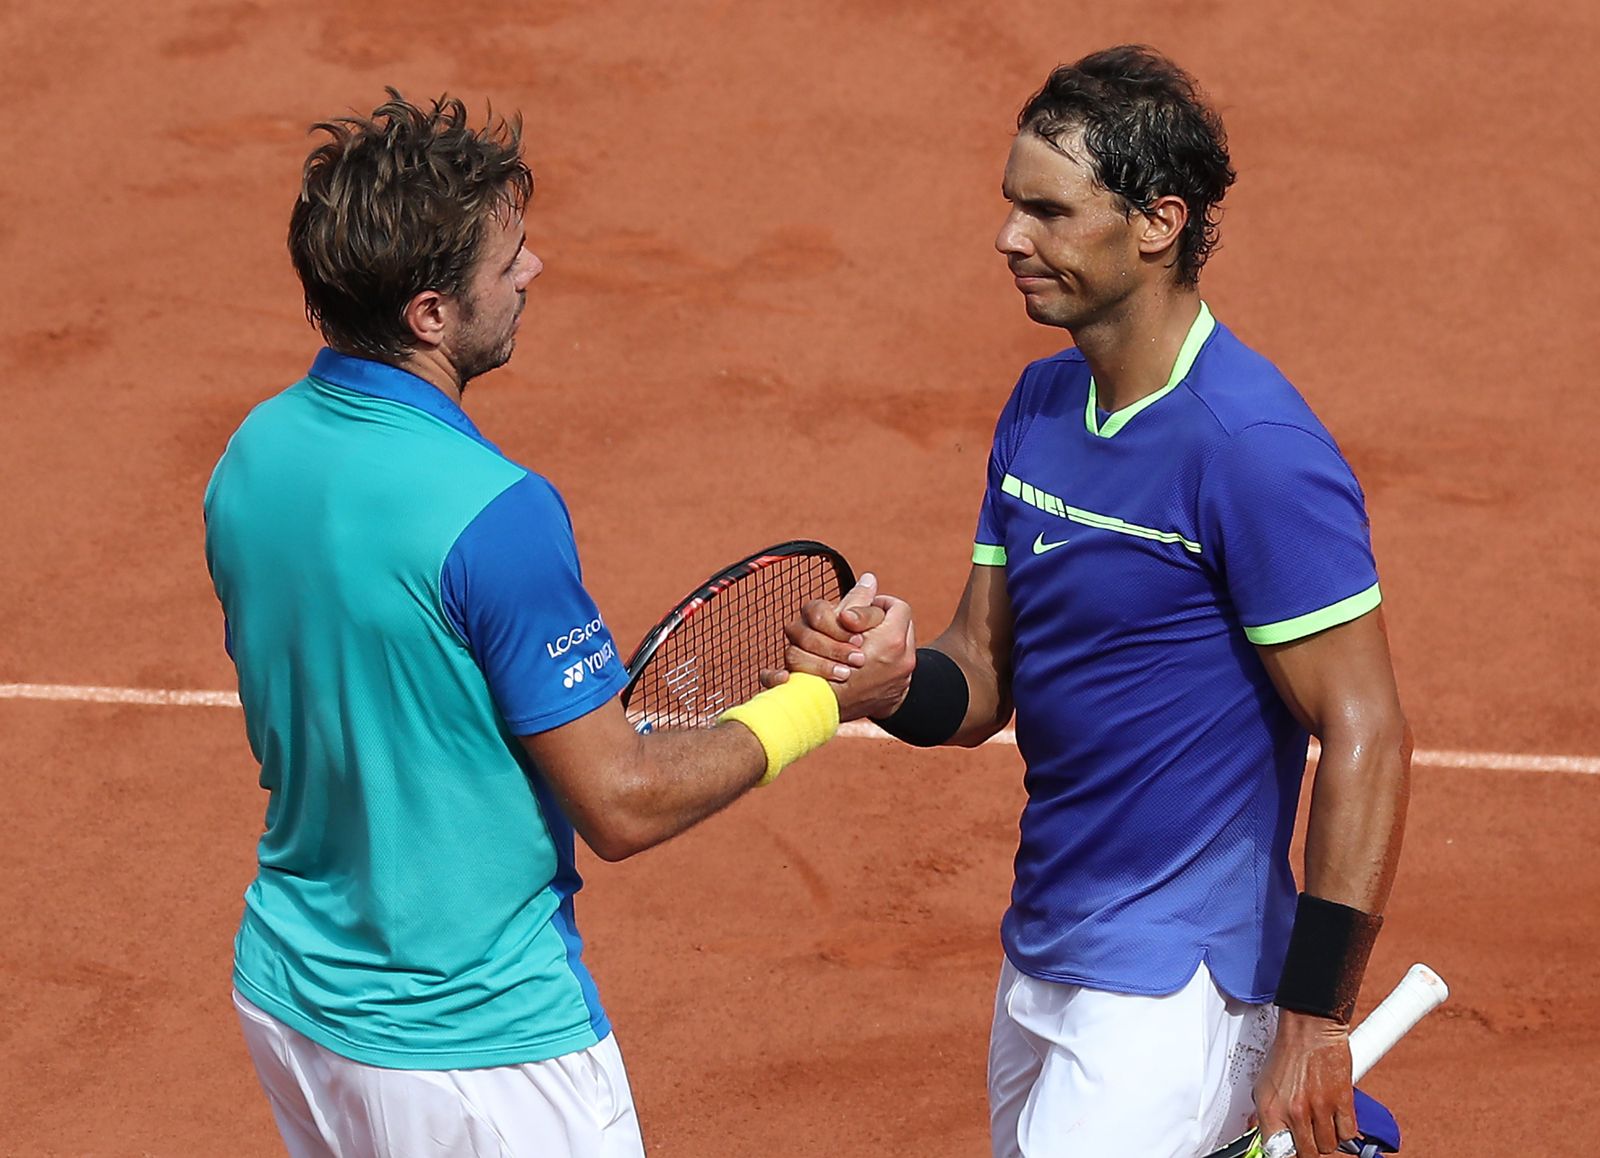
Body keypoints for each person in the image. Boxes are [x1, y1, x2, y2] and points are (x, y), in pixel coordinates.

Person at [203, 91, 905, 1158]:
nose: (532, 272)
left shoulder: (251, 455)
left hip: (295, 999)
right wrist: (824, 700)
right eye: (507, 262)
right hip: (473, 1047)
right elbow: (619, 803)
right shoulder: (493, 510)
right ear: (430, 315)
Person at [776, 46, 1411, 1158]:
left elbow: (1365, 730)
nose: (1009, 238)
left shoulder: (1252, 451)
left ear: (1157, 223)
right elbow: (979, 675)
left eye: (1047, 211)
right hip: (1044, 951)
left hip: (1176, 989)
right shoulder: (1038, 403)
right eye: (1011, 206)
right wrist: (888, 680)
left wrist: (1315, 1017)